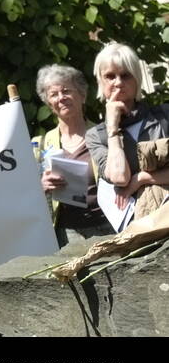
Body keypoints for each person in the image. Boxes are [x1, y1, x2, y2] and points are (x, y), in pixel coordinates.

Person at [85, 42, 169, 224]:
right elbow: (120, 178)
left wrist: (142, 179)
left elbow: (130, 180)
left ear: (137, 79)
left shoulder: (165, 116)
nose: (118, 83)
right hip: (137, 233)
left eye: (125, 76)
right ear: (100, 81)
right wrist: (113, 128)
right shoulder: (95, 135)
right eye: (110, 76)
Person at [34, 64, 108, 246]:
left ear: (82, 95)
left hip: (107, 227)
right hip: (67, 234)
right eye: (54, 94)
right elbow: (25, 193)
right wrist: (41, 186)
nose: (61, 98)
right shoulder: (40, 145)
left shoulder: (105, 135)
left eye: (66, 91)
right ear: (49, 104)